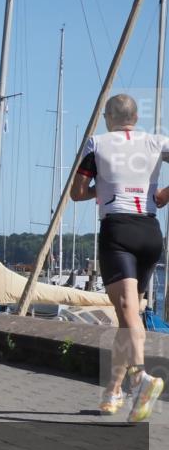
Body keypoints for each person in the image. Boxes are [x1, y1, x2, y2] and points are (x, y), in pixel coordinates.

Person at [71, 94, 166, 421]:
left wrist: (107, 186)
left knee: (127, 312)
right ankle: (112, 391)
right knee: (130, 317)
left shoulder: (96, 144)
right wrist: (162, 195)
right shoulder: (156, 142)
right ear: (136, 117)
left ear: (108, 117)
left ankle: (139, 380)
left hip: (118, 231)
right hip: (150, 234)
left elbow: (77, 192)